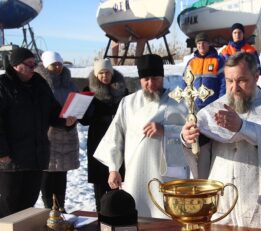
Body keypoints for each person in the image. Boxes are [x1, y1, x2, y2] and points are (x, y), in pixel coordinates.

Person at [181, 52, 261, 231]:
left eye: (242, 80)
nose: (234, 88)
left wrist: (243, 127)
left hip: (259, 208)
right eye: (229, 81)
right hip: (221, 205)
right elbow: (199, 149)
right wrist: (188, 139)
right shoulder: (215, 108)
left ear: (256, 77)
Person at [94, 54, 189, 218]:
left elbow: (193, 135)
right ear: (140, 79)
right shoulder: (128, 103)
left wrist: (165, 130)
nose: (150, 84)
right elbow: (115, 136)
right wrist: (114, 169)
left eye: (155, 78)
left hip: (169, 176)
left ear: (163, 77)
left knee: (168, 219)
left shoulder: (180, 101)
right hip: (136, 174)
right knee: (137, 218)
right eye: (146, 79)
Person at [0, 47, 76, 218]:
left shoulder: (39, 84)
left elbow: (53, 110)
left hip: (35, 157)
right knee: (9, 205)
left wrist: (65, 121)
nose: (33, 68)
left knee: (28, 205)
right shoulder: (3, 85)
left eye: (35, 64)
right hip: (10, 160)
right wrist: (2, 151)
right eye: (29, 65)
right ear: (15, 66)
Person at [34, 51, 80, 212]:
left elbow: (77, 98)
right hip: (49, 132)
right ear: (46, 65)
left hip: (68, 132)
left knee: (61, 172)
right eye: (54, 64)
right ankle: (49, 207)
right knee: (47, 172)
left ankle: (60, 206)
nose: (58, 67)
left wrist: (77, 113)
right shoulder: (39, 82)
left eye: (60, 63)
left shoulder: (69, 82)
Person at [80, 58, 128, 212]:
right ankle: (101, 213)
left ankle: (118, 210)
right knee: (100, 181)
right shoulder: (89, 91)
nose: (104, 76)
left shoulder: (123, 90)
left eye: (107, 72)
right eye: (101, 73)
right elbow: (84, 120)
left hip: (120, 139)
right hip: (98, 139)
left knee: (118, 177)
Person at [181, 32, 225, 110]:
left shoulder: (218, 61)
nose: (201, 45)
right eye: (199, 43)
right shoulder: (191, 62)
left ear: (209, 44)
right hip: (195, 105)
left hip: (213, 105)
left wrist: (221, 101)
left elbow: (223, 83)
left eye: (204, 43)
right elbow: (185, 82)